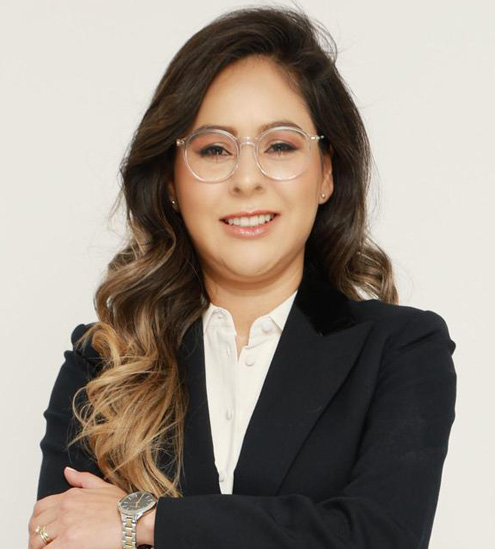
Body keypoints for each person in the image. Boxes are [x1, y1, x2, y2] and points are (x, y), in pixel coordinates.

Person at [29, 5, 457, 549]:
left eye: (280, 145)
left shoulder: (401, 350)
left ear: (326, 173)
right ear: (171, 183)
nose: (247, 179)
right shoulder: (104, 364)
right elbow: (58, 534)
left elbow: (379, 537)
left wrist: (144, 521)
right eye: (214, 149)